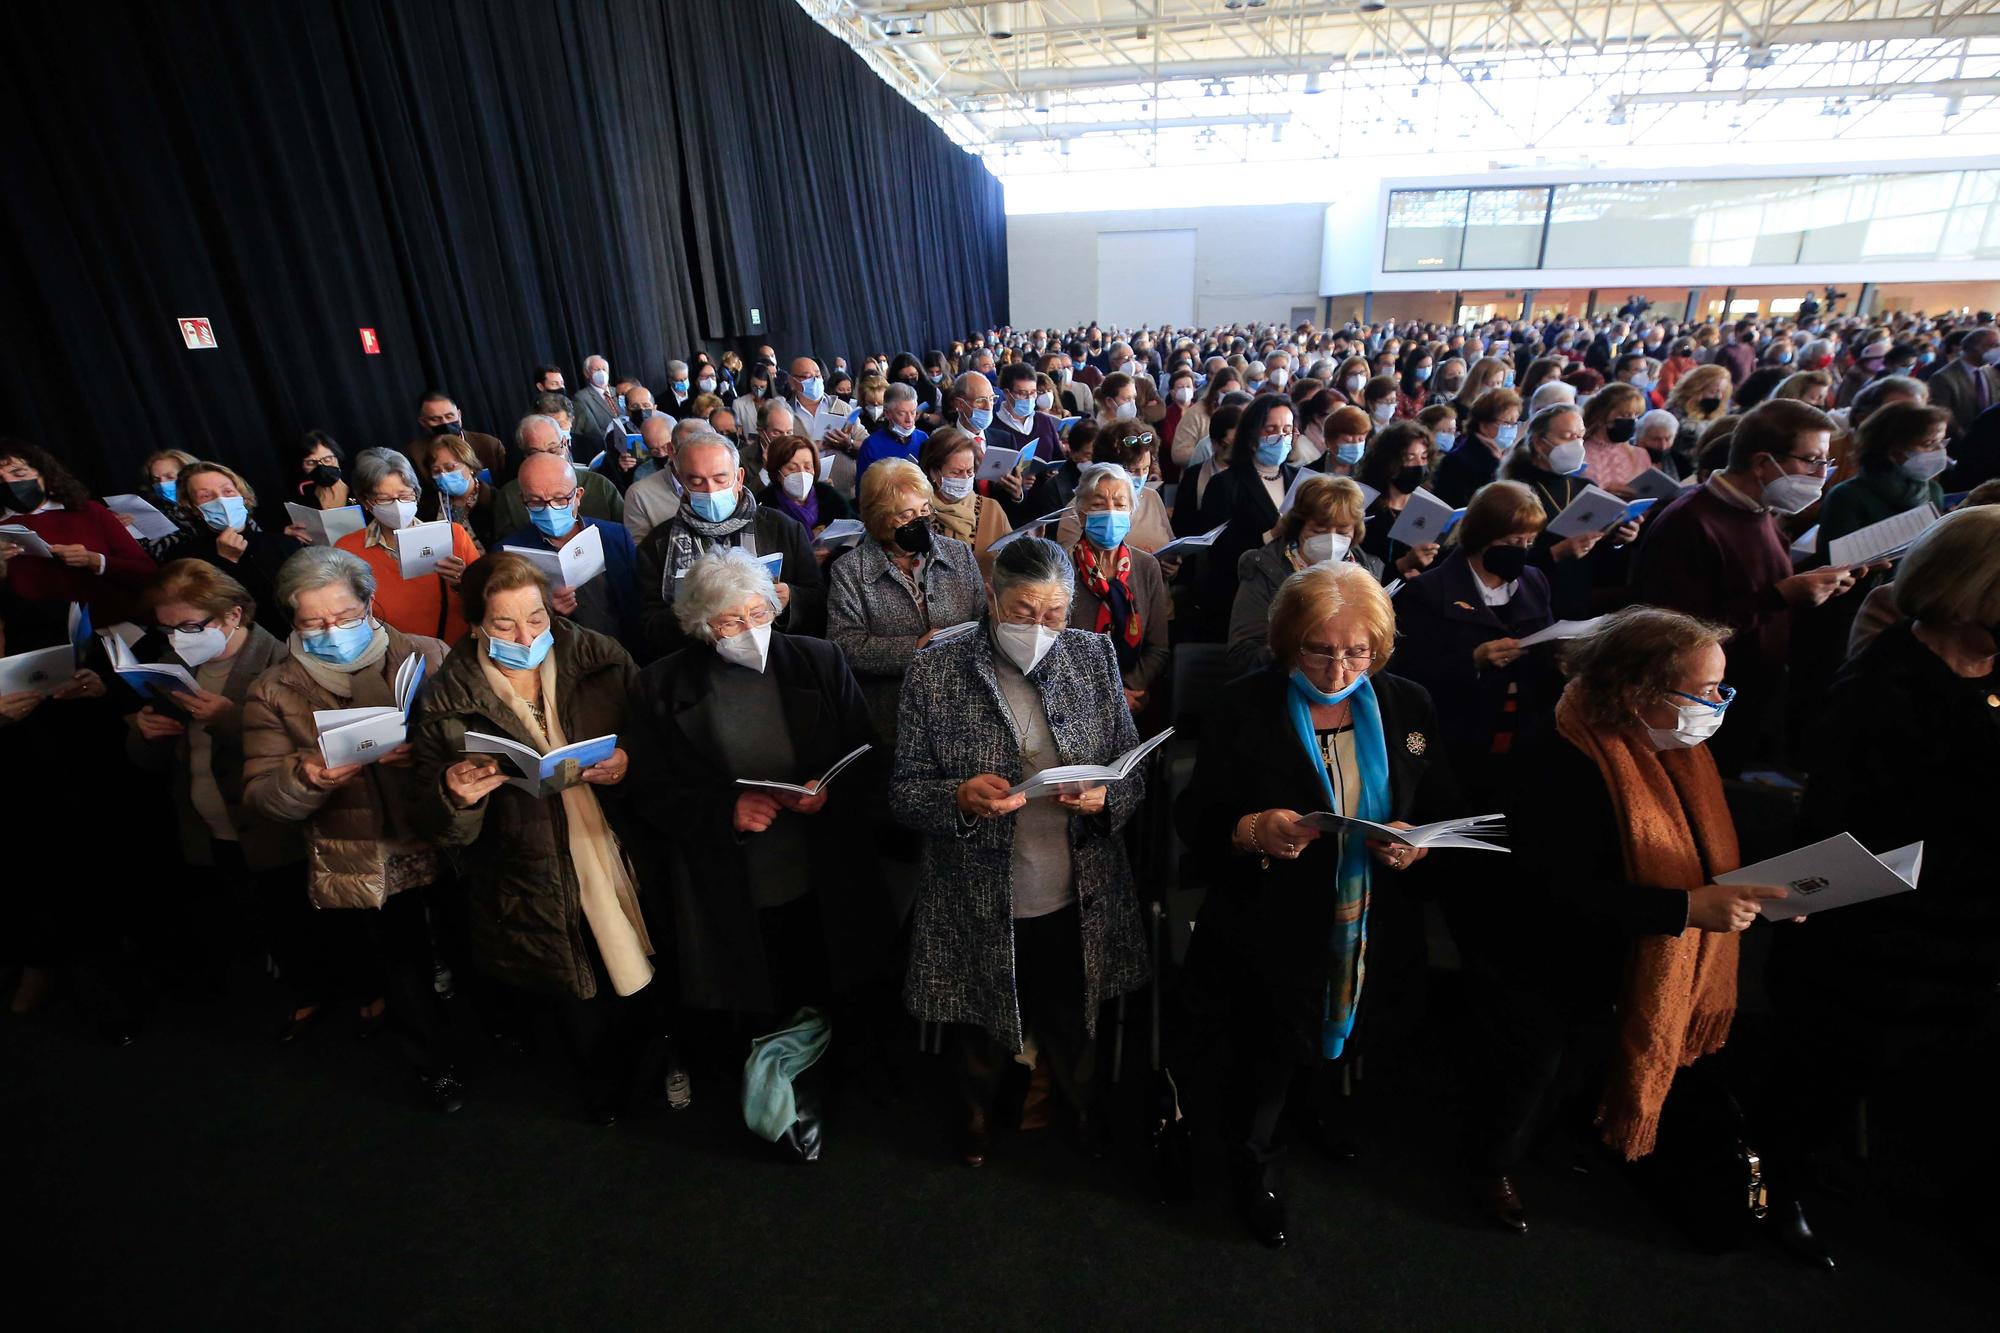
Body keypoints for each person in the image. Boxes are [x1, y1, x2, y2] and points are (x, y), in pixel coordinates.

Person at [1173, 562, 1460, 1247]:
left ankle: (1317, 1110)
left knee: (1343, 1031)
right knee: (1261, 1055)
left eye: (1357, 650)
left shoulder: (1408, 702)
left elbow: (1444, 805)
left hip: (1368, 915)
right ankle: (1254, 1162)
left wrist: (1418, 845)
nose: (1337, 668)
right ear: (1286, 640)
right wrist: (1250, 829)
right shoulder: (1243, 704)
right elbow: (1196, 816)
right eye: (1319, 649)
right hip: (1267, 920)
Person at [1482, 608, 1783, 1233]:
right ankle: (1491, 1168)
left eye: (1722, 687)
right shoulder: (1563, 755)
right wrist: (1686, 909)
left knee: (1578, 1063)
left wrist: (1764, 893)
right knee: (1530, 1071)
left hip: (1618, 950)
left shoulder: (1665, 741)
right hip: (1549, 953)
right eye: (1702, 691)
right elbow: (1552, 890)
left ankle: (1548, 1141)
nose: (1717, 704)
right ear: (1637, 690)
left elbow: (1696, 848)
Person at [1778, 507, 2000, 1254]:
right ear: (1974, 591)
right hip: (1884, 922)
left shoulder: (1987, 669)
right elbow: (1855, 823)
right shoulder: (1886, 684)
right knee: (1834, 1067)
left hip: (1968, 923)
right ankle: (1786, 1189)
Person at [892, 536, 1149, 1167]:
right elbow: (902, 790)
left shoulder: (1091, 657)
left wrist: (1106, 797)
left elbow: (1132, 766)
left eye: (1055, 615)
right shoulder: (938, 666)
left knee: (1072, 1010)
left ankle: (1079, 1108)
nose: (1040, 628)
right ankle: (976, 1116)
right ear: (989, 597)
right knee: (979, 1014)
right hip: (978, 881)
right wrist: (957, 795)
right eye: (1022, 612)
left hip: (1076, 880)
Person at [626, 548, 892, 1156]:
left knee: (828, 976)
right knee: (757, 990)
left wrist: (831, 792)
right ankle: (774, 1100)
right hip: (731, 876)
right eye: (729, 623)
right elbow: (652, 793)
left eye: (757, 613)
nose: (749, 632)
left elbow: (867, 754)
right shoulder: (662, 685)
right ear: (700, 627)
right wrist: (726, 811)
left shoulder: (818, 659)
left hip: (821, 865)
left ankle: (826, 1087)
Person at [410, 552, 662, 1120]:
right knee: (580, 990)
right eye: (504, 625)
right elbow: (432, 824)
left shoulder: (599, 655)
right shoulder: (447, 697)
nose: (525, 635)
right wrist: (455, 795)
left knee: (653, 971)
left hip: (617, 844)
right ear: (475, 624)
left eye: (536, 618)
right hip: (532, 867)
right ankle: (606, 1088)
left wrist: (629, 762)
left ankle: (656, 1061)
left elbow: (658, 740)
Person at [240, 547, 459, 1111]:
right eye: (312, 623)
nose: (330, 632)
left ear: (369, 604)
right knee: (402, 965)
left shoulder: (428, 655)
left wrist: (432, 754)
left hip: (441, 829)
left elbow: (474, 738)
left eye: (343, 617)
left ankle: (498, 1032)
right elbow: (263, 796)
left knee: (465, 939)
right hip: (362, 850)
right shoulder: (273, 690)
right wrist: (307, 775)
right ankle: (431, 1064)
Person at [1630, 398, 1863, 775]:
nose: (1823, 474)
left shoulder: (1760, 512)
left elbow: (1761, 582)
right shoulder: (1689, 521)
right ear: (1760, 463)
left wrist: (1822, 581)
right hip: (1701, 701)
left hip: (1756, 687)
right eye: (1812, 460)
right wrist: (1780, 596)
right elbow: (1672, 629)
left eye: (1826, 462)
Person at [126, 560, 304, 1000]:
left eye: (189, 626)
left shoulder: (282, 661)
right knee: (245, 922)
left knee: (295, 927)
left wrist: (230, 720)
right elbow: (152, 761)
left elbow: (301, 748)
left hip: (274, 834)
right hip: (211, 832)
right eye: (167, 629)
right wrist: (145, 733)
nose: (177, 639)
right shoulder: (171, 668)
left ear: (232, 615)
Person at [1389, 480, 1557, 812]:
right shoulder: (1429, 591)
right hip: (1459, 738)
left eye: (1529, 541)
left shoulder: (1534, 580)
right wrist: (1472, 662)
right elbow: (1407, 672)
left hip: (1522, 733)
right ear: (1482, 536)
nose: (1522, 549)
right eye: (1512, 541)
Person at [826, 459, 983, 747]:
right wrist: (914, 648)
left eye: (925, 510)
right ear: (881, 518)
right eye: (906, 515)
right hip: (894, 714)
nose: (920, 521)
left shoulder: (958, 554)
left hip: (964, 704)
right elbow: (844, 645)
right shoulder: (849, 570)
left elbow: (982, 618)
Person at [635, 432, 823, 658]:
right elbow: (647, 625)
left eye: (720, 479)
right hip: (699, 664)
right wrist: (694, 612)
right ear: (683, 483)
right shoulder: (658, 544)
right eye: (697, 482)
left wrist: (791, 598)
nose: (711, 491)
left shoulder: (783, 529)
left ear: (739, 477)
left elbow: (818, 599)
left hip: (776, 657)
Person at [1227, 475, 1385, 675]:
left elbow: (1380, 648)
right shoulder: (1264, 569)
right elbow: (1243, 655)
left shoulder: (1368, 570)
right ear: (1298, 527)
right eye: (1320, 530)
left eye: (1343, 532)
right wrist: (1307, 651)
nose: (1332, 540)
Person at [1498, 404, 1640, 620]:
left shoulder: (1585, 487)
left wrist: (1618, 538)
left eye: (1580, 436)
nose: (1577, 444)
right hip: (1529, 600)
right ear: (1539, 442)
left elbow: (1598, 552)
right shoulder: (1514, 490)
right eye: (1567, 436)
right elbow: (1501, 559)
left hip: (1577, 596)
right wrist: (1555, 553)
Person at [495, 453, 642, 651]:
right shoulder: (508, 555)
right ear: (523, 501)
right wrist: (546, 611)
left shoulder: (615, 537)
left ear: (578, 496)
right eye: (536, 502)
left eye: (560, 499)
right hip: (559, 661)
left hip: (626, 652)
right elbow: (504, 623)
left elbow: (639, 602)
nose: (550, 510)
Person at [334, 448, 477, 645]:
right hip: (394, 659)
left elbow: (487, 600)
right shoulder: (347, 550)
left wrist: (464, 582)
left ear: (416, 494)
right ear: (366, 502)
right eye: (384, 499)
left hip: (456, 653)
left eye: (405, 495)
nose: (397, 505)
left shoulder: (453, 536)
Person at [0, 444, 152, 627]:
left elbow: (146, 572)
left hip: (115, 624)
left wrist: (93, 560)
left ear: (43, 475)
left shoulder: (89, 511)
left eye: (19, 474)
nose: (9, 483)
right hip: (39, 635)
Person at [1064, 464, 1170, 718]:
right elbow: (1056, 649)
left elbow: (1158, 649)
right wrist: (1105, 693)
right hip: (1075, 700)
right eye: (1099, 505)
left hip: (1134, 699)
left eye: (1120, 505)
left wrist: (1127, 689)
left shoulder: (1146, 566)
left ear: (1131, 512)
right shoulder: (1062, 568)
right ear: (1080, 514)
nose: (1111, 513)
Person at [1195, 395, 1302, 637]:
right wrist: (1273, 533)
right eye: (1271, 429)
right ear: (1253, 435)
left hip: (1294, 594)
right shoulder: (1224, 484)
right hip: (1244, 595)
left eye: (1287, 430)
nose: (1281, 437)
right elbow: (1220, 552)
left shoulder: (1301, 480)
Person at [1816, 401, 1951, 557]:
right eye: (1929, 443)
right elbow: (1831, 562)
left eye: (1942, 441)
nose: (1940, 450)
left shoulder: (1933, 491)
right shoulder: (1847, 496)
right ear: (1892, 448)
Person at [491, 416, 625, 537]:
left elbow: (625, 531)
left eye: (553, 450)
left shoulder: (600, 485)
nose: (547, 458)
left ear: (565, 444)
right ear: (524, 454)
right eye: (536, 453)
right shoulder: (508, 496)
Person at [1052, 424, 1174, 554]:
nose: (1141, 476)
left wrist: (1171, 564)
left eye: (1145, 469)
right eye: (1132, 470)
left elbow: (1169, 540)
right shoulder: (1077, 512)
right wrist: (1141, 561)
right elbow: (1072, 564)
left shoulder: (1151, 497)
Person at [1356, 422, 1442, 579]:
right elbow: (1361, 569)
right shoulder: (1365, 507)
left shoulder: (1427, 506)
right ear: (1389, 461)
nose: (1420, 465)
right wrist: (1404, 564)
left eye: (1424, 457)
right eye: (1410, 457)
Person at [922, 426, 1012, 575]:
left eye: (970, 471)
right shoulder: (920, 512)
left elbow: (1010, 559)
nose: (965, 478)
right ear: (934, 473)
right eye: (956, 472)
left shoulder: (991, 510)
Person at [1432, 388, 1521, 507]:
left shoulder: (1506, 456)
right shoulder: (1458, 461)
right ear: (1484, 425)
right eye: (1507, 423)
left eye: (1514, 423)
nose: (1512, 428)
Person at [787, 356, 861, 494]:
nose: (815, 381)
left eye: (818, 375)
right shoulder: (785, 413)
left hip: (846, 492)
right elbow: (779, 455)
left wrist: (849, 443)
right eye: (807, 377)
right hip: (803, 494)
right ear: (793, 382)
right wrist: (813, 448)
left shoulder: (842, 407)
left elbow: (867, 444)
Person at [758, 434, 852, 541]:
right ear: (777, 473)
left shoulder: (831, 499)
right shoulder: (764, 509)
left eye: (807, 467)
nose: (802, 473)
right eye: (792, 468)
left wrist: (832, 552)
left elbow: (851, 536)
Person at [405, 392, 506, 484]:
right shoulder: (415, 454)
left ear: (459, 415)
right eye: (435, 419)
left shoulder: (489, 445)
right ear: (423, 423)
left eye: (449, 416)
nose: (445, 423)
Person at [421, 433, 496, 551]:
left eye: (450, 467)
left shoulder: (495, 500)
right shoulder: (429, 505)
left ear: (470, 466)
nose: (443, 475)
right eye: (436, 471)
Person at [853, 382, 927, 496]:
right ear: (887, 414)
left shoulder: (923, 438)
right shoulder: (871, 446)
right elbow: (863, 494)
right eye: (902, 414)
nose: (909, 419)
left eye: (913, 412)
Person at [1922, 326, 1999, 433]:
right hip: (1961, 442)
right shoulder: (1942, 378)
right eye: (1995, 345)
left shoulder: (1991, 371)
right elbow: (1941, 415)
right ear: (1975, 347)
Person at [1578, 383, 1650, 495]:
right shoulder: (1580, 454)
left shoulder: (1640, 455)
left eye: (1636, 415)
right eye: (1625, 415)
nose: (1632, 421)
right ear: (1602, 416)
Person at [293, 432, 353, 512]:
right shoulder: (304, 502)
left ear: (338, 458)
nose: (321, 467)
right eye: (311, 463)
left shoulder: (358, 490)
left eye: (327, 459)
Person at [572, 353, 622, 447]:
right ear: (587, 373)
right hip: (606, 446)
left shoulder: (618, 391)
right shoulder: (581, 398)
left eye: (604, 369)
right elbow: (591, 431)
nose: (601, 373)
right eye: (596, 369)